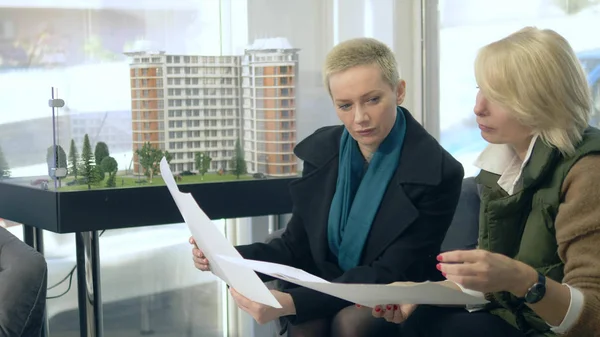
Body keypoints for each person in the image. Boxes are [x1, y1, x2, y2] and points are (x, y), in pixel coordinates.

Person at [191, 37, 464, 337]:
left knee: (352, 324)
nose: (359, 118)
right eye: (345, 105)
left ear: (399, 91)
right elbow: (295, 245)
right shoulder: (323, 150)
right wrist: (225, 257)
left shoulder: (438, 172)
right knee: (308, 324)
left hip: (397, 297)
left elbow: (391, 273)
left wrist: (294, 302)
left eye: (372, 100)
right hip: (328, 283)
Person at [370, 27, 600, 337]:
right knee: (408, 322)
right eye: (481, 89)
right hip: (519, 319)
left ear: (543, 99)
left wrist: (522, 280)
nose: (478, 107)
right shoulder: (502, 163)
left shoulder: (588, 172)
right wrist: (421, 290)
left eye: (499, 96)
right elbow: (495, 283)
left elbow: (592, 317)